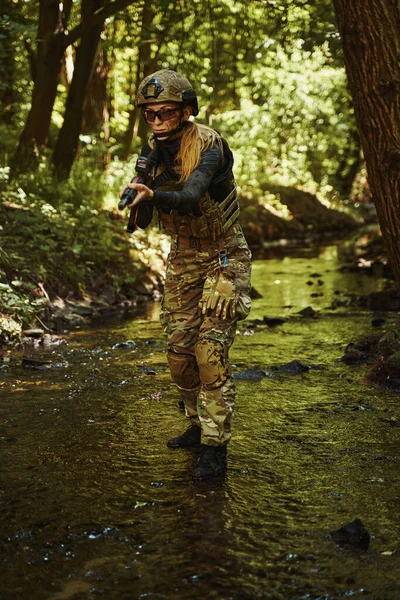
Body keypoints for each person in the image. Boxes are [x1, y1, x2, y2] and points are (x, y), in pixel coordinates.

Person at [120, 69, 252, 480]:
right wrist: (139, 193)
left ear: (186, 112)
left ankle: (216, 444)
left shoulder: (209, 144)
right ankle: (197, 426)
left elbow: (192, 193)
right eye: (150, 114)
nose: (157, 121)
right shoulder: (152, 152)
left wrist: (153, 192)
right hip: (183, 258)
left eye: (166, 113)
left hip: (224, 256)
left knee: (209, 350)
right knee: (179, 356)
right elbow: (141, 222)